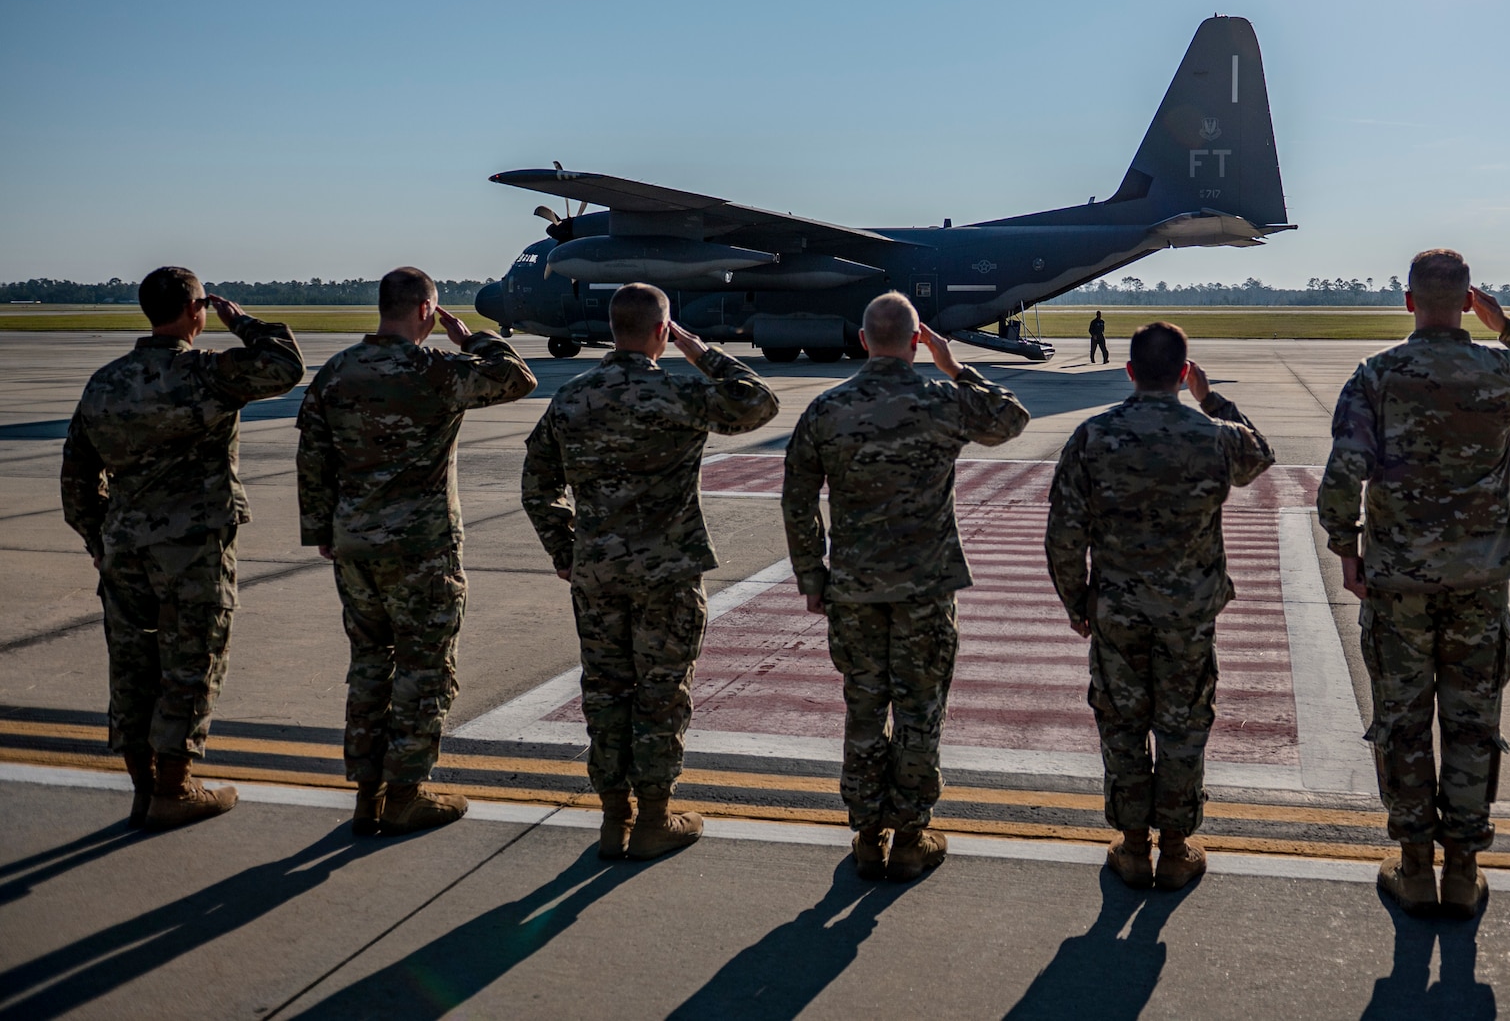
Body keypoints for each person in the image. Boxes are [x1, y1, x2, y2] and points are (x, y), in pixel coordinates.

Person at [1318, 248, 1510, 919]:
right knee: (1472, 724)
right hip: (1478, 581)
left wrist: (1346, 548)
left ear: (1409, 302)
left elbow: (1343, 473)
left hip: (1397, 581)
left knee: (1402, 722)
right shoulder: (1500, 369)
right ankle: (1463, 870)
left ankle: (1415, 867)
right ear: (1469, 301)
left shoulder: (1379, 375)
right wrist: (1509, 329)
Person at [521, 284, 779, 860]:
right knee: (662, 692)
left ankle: (615, 817)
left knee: (606, 691)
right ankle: (655, 818)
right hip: (668, 572)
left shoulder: (573, 398)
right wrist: (699, 350)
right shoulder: (680, 393)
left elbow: (537, 484)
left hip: (598, 574)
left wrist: (568, 552)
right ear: (662, 330)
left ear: (613, 330)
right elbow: (758, 401)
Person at [782, 292, 1030, 881]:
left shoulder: (827, 408)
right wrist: (955, 367)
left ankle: (868, 834)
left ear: (864, 340)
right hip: (924, 586)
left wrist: (812, 576)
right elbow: (1011, 418)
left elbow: (797, 499)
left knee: (864, 707)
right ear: (917, 341)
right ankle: (912, 837)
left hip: (854, 589)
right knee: (920, 711)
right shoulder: (942, 401)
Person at [61, 267, 304, 830]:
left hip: (126, 548)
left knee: (132, 664)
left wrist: (100, 539)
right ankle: (174, 787)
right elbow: (286, 367)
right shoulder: (204, 373)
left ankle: (144, 789)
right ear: (196, 311)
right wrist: (245, 323)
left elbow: (77, 476)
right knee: (191, 660)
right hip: (194, 545)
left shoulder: (105, 381)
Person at [296, 267, 535, 837]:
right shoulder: (435, 371)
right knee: (424, 669)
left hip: (355, 546)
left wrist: (321, 529)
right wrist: (472, 338)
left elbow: (312, 453)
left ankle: (365, 794)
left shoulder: (337, 371)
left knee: (370, 665)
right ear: (427, 310)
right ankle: (404, 795)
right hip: (422, 550)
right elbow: (518, 377)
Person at [1045, 322, 1274, 891]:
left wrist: (1078, 603)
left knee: (1122, 725)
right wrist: (1210, 397)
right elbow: (1262, 454)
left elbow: (1064, 534)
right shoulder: (1215, 435)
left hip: (1117, 611)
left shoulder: (1093, 437)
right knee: (1183, 725)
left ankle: (1131, 845)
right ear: (1182, 373)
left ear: (1128, 372)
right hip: (1188, 615)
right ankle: (1174, 847)